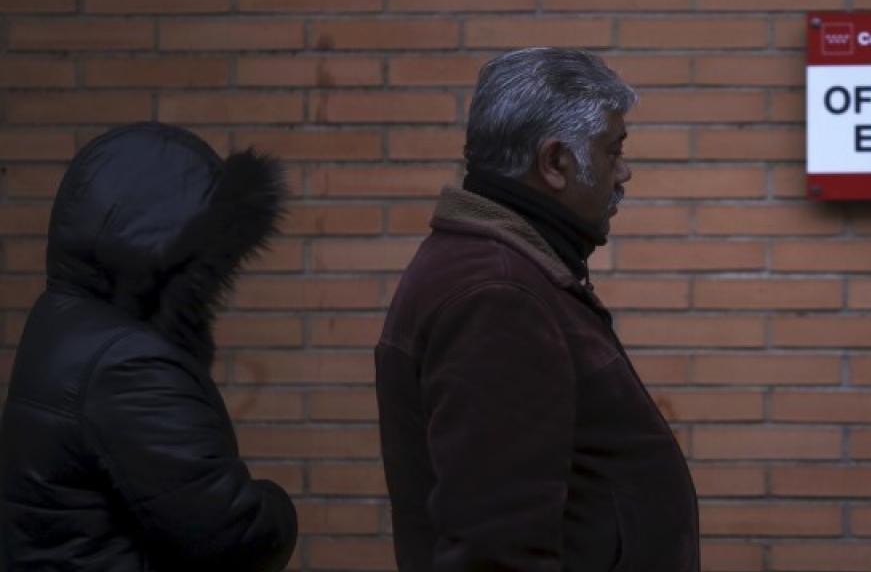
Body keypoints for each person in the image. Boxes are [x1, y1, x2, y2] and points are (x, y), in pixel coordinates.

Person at [375, 48, 699, 571]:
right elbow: (496, 550)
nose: (625, 173)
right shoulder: (498, 297)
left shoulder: (506, 272)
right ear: (554, 163)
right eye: (612, 151)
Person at [0, 123, 297, 570]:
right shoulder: (128, 365)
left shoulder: (65, 320)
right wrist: (278, 504)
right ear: (167, 252)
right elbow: (233, 536)